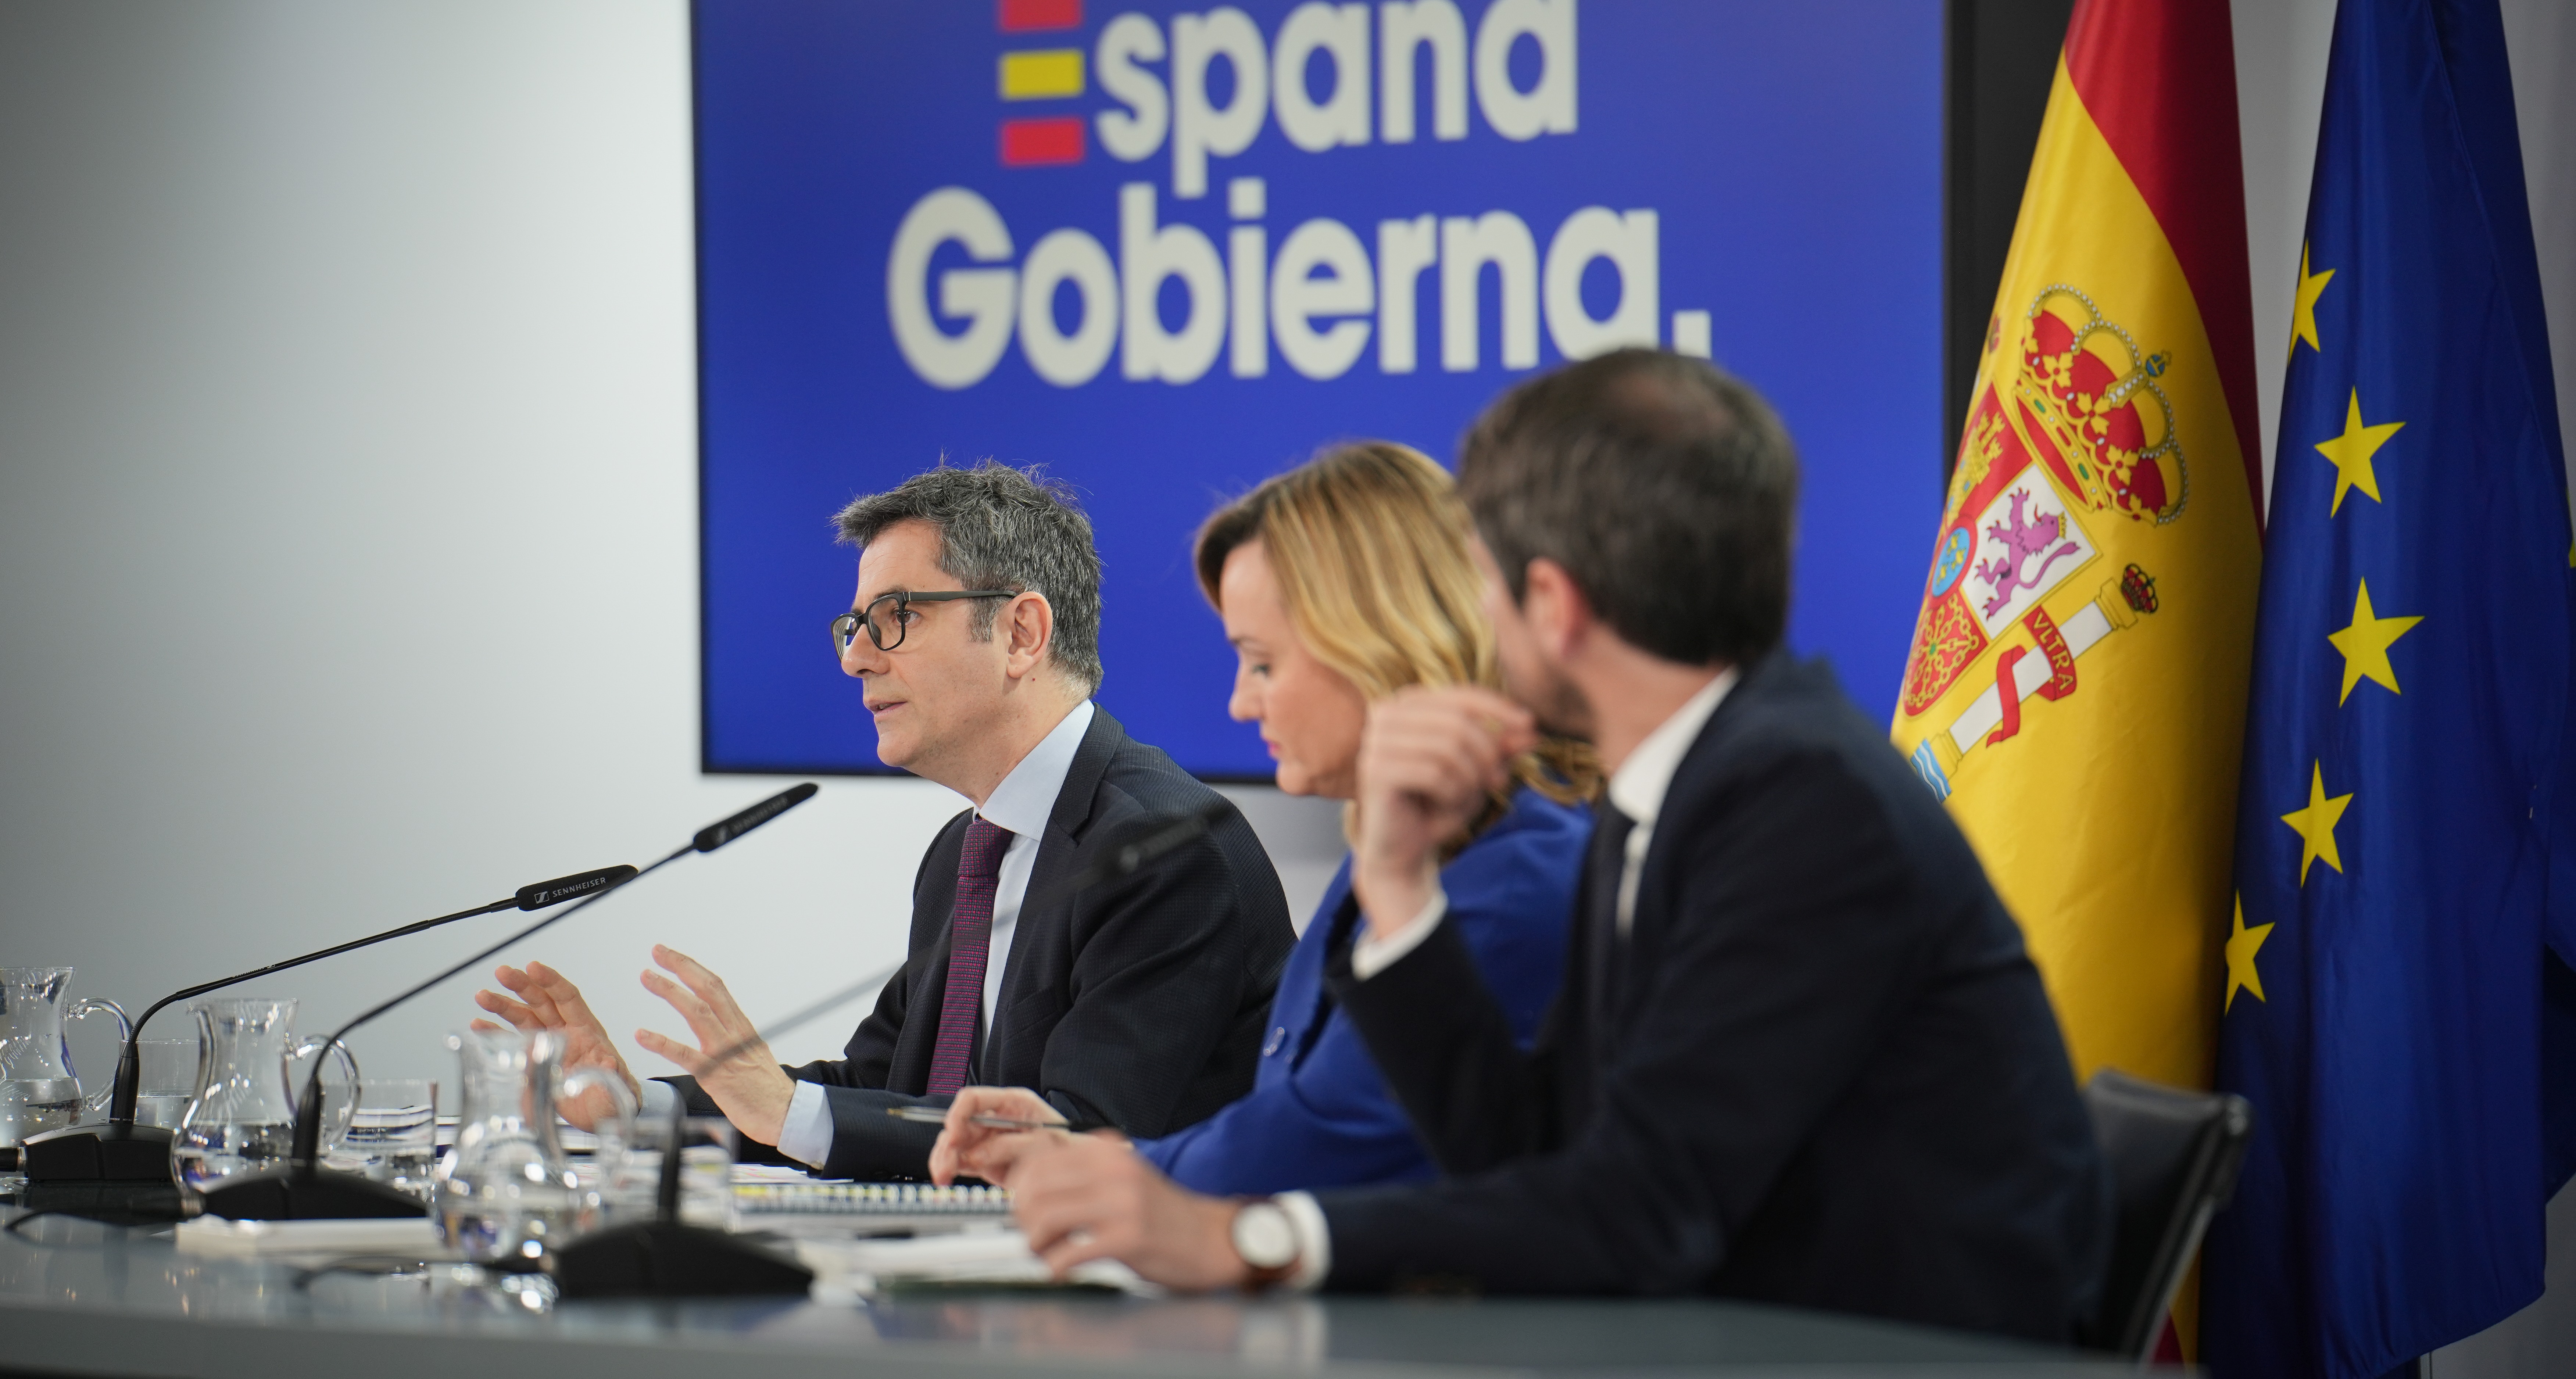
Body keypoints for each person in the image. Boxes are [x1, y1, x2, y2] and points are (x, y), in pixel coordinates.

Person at [934, 353, 2111, 1344]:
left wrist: (1247, 1235)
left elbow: (1644, 1210)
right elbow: (1527, 1151)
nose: (1463, 622)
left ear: (1552, 603)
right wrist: (1396, 885)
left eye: (1484, 579)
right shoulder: (1692, 790)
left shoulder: (1801, 802)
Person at [475, 461, 1295, 1178]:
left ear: (1021, 632)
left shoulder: (1162, 849)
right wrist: (633, 1109)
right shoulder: (966, 853)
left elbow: (1082, 1137)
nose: (856, 656)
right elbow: (886, 1091)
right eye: (856, 625)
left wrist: (788, 1110)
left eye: (896, 617)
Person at [940, 443, 1595, 1197]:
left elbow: (1317, 1144)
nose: (1242, 704)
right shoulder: (1403, 856)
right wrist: (1067, 1150)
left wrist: (1090, 1168)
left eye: (1263, 663)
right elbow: (1280, 1117)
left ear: (1381, 642)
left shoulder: (1510, 884)